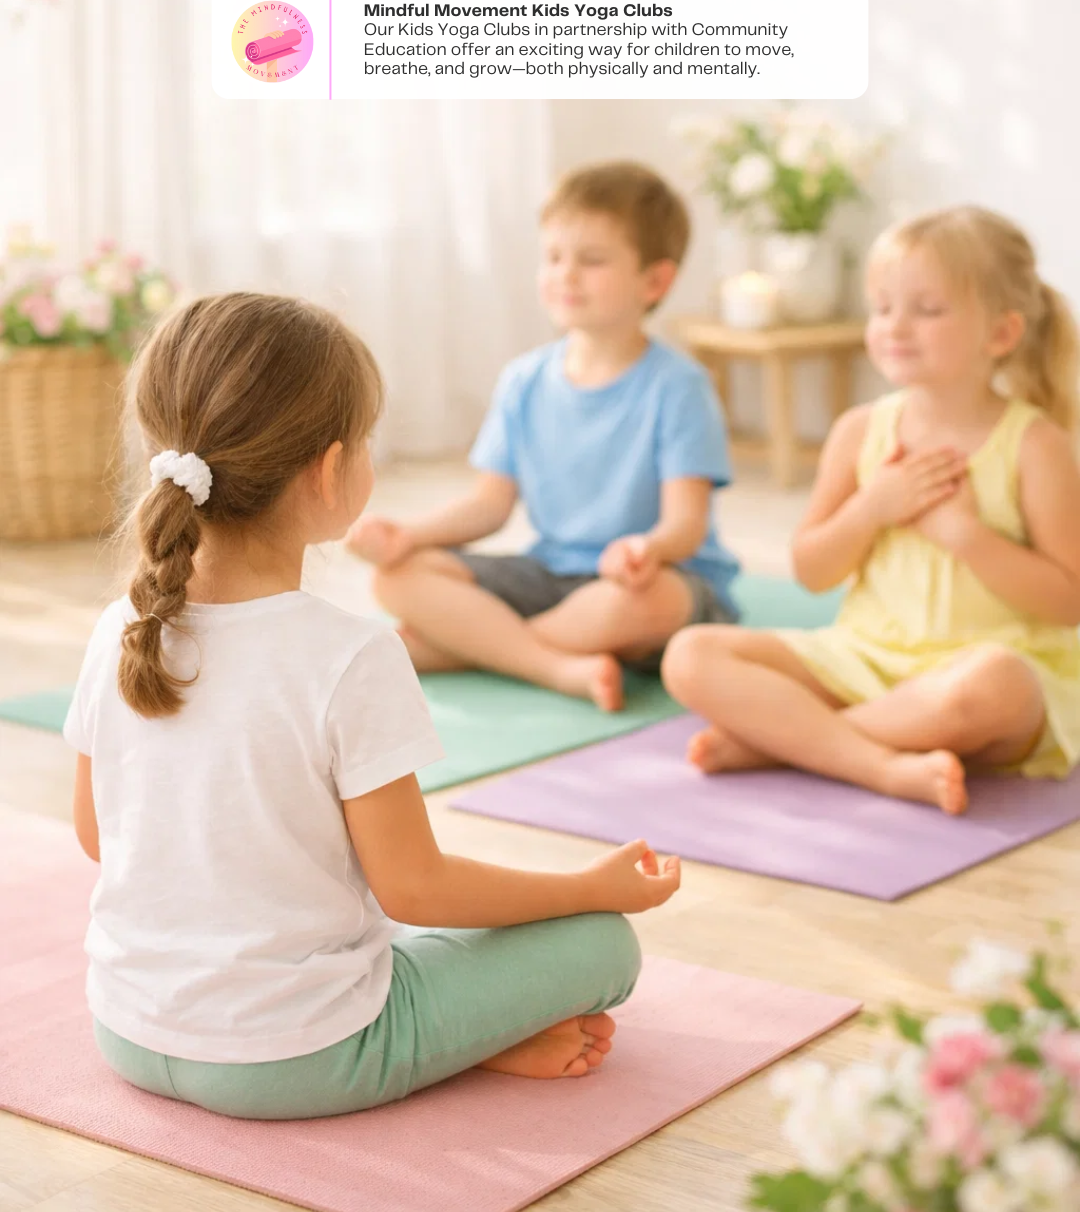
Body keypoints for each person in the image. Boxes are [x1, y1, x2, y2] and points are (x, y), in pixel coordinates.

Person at [66, 292, 680, 1121]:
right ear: (328, 472)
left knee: (382, 926)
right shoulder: (351, 655)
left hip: (128, 1031)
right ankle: (469, 1038)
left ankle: (471, 1030)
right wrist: (585, 886)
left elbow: (98, 835)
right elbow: (415, 891)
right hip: (301, 1058)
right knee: (601, 942)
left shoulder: (121, 626)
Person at [661, 206, 1080, 815]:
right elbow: (812, 571)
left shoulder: (1036, 444)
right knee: (690, 654)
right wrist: (871, 509)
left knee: (998, 686)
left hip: (975, 670)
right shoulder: (860, 432)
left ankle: (786, 743)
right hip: (862, 659)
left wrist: (963, 534)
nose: (895, 326)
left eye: (927, 309)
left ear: (1001, 334)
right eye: (883, 307)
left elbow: (1069, 600)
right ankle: (876, 762)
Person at [347, 161, 740, 712]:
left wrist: (646, 549)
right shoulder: (523, 380)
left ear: (654, 281)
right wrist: (408, 535)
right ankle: (552, 665)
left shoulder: (680, 386)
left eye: (592, 260)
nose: (566, 275)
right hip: (549, 573)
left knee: (647, 603)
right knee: (398, 579)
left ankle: (467, 647)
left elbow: (686, 526)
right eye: (553, 257)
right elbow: (489, 506)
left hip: (648, 580)